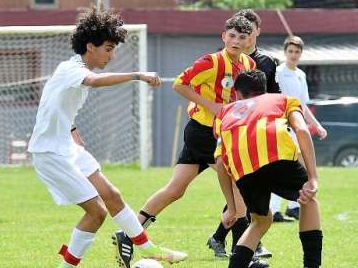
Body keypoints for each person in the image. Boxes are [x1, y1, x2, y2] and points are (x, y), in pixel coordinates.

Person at [27, 5, 187, 268]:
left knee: (112, 195)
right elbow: (92, 81)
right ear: (90, 46)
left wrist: (72, 130)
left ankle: (148, 248)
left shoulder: (74, 71)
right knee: (97, 212)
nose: (111, 57)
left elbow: (58, 108)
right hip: (50, 153)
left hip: (67, 146)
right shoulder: (71, 69)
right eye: (109, 49)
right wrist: (138, 75)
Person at [113, 16, 268, 268]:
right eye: (232, 36)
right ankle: (245, 258)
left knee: (176, 189)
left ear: (250, 39)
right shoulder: (210, 62)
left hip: (220, 133)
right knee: (241, 187)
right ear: (223, 36)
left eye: (242, 37)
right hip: (204, 133)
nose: (236, 41)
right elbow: (179, 84)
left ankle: (129, 232)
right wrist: (212, 106)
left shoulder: (248, 64)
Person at [214, 70, 322, 268]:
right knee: (308, 199)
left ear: (237, 93)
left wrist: (231, 207)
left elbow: (220, 161)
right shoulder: (283, 100)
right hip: (276, 158)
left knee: (260, 221)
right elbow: (302, 130)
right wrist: (312, 177)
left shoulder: (224, 112)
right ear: (264, 90)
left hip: (243, 169)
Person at [207, 10, 276, 259]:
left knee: (245, 187)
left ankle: (224, 239)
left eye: (248, 31)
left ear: (256, 32)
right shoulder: (223, 60)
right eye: (236, 34)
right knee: (244, 186)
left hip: (254, 129)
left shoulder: (264, 62)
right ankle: (247, 247)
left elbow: (270, 95)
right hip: (230, 131)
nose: (242, 38)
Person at [272, 35, 327, 221]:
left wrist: (317, 125)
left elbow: (303, 105)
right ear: (285, 52)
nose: (293, 55)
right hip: (281, 127)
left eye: (297, 51)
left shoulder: (301, 75)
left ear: (301, 53)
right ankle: (274, 210)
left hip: (298, 128)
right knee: (282, 168)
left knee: (303, 168)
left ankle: (294, 206)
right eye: (290, 51)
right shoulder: (277, 72)